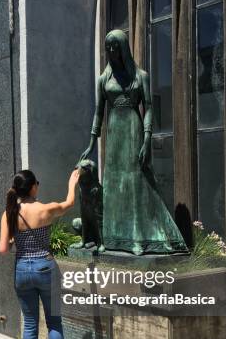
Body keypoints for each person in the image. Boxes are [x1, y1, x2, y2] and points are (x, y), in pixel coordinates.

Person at [79, 29, 187, 255]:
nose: (110, 51)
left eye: (114, 47)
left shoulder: (141, 76)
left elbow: (148, 108)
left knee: (138, 181)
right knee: (114, 182)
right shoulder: (103, 79)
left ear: (123, 48)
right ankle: (114, 237)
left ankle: (140, 237)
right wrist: (91, 142)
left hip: (134, 129)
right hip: (115, 133)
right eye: (108, 47)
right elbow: (98, 112)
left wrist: (147, 138)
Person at [0, 169, 79, 339]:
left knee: (30, 323)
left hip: (22, 269)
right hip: (45, 266)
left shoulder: (9, 214)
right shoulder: (45, 209)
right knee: (54, 321)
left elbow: (3, 248)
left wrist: (17, 237)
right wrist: (72, 182)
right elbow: (69, 203)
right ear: (33, 187)